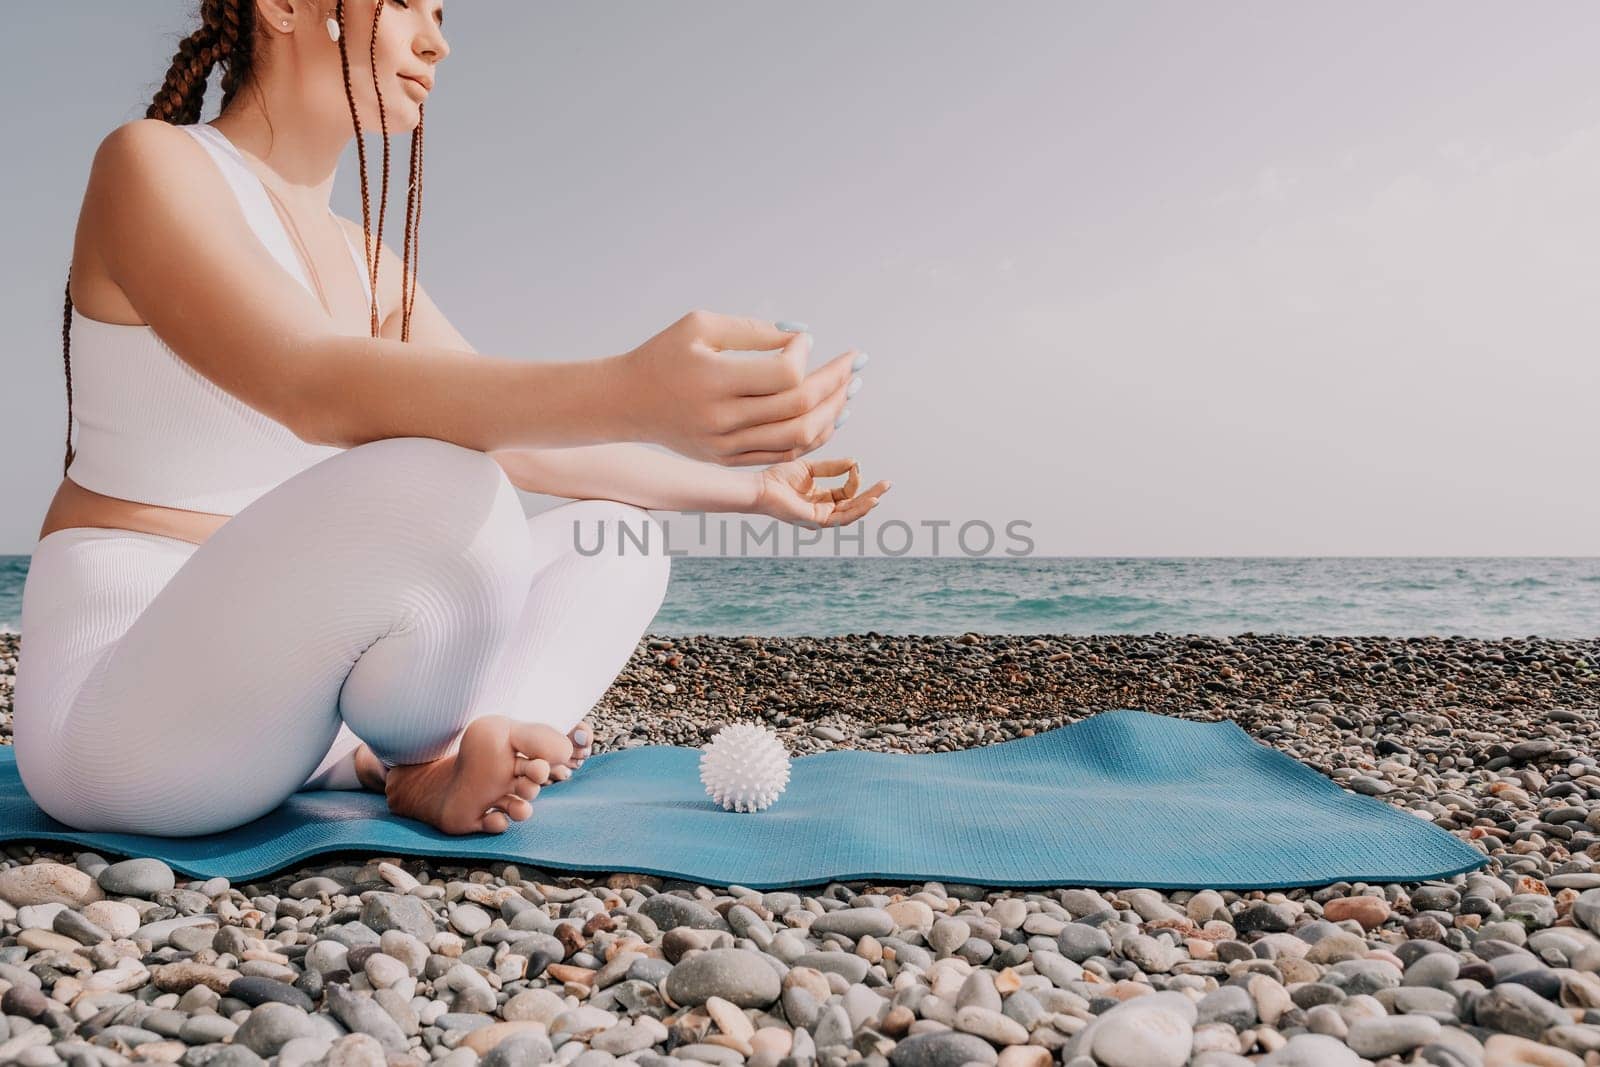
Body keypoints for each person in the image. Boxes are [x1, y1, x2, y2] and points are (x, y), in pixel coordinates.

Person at [15, 0, 889, 838]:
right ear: (281, 4)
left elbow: (515, 440)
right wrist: (633, 388)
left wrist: (754, 489)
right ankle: (422, 752)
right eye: (402, 3)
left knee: (617, 540)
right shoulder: (151, 163)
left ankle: (398, 762)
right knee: (450, 483)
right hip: (125, 726)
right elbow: (307, 384)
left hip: (292, 719)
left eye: (442, 15)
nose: (436, 43)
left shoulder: (367, 260)